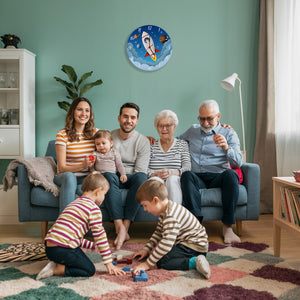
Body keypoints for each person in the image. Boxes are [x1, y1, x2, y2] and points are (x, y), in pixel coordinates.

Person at [36, 172, 125, 280]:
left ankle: (58, 261)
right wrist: (109, 263)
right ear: (98, 191)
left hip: (50, 249)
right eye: (104, 194)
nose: (104, 198)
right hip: (62, 249)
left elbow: (71, 235)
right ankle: (56, 269)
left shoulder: (74, 203)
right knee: (88, 269)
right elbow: (100, 236)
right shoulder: (93, 209)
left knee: (74, 250)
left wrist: (92, 245)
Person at [179, 99, 243, 244]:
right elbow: (174, 142)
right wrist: (152, 141)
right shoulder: (192, 130)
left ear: (218, 116)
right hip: (197, 177)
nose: (206, 123)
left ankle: (227, 228)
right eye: (202, 119)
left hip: (219, 176)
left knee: (231, 175)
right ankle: (195, 227)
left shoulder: (229, 133)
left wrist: (227, 148)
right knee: (187, 175)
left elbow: (238, 162)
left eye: (210, 118)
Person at [132, 179, 210, 279]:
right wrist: (147, 250)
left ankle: (194, 262)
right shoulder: (165, 211)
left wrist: (147, 264)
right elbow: (158, 233)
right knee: (159, 256)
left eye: (145, 205)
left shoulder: (170, 216)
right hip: (190, 244)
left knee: (162, 262)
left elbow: (166, 244)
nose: (145, 209)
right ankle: (193, 258)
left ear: (155, 200)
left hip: (194, 246)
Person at [104, 102, 150, 250]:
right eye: (125, 116)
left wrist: (125, 175)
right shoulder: (109, 137)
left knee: (142, 178)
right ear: (119, 118)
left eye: (132, 117)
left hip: (132, 176)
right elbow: (103, 160)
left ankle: (125, 227)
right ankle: (120, 228)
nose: (128, 120)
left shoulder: (142, 141)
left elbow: (140, 170)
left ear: (137, 120)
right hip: (114, 176)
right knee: (109, 175)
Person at [54, 97, 99, 213]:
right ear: (72, 112)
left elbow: (114, 140)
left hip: (85, 179)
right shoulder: (62, 135)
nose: (84, 113)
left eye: (87, 110)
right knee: (70, 176)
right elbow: (62, 167)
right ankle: (65, 224)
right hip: (65, 177)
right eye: (80, 109)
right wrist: (82, 165)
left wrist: (143, 138)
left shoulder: (95, 134)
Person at [148, 109, 191, 204]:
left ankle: (174, 215)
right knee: (155, 181)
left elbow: (187, 167)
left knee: (172, 179)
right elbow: (144, 168)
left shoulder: (182, 144)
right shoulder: (150, 145)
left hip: (175, 180)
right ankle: (160, 215)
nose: (164, 129)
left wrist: (173, 172)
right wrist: (156, 174)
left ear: (174, 127)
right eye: (160, 126)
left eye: (168, 125)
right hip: (155, 179)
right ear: (156, 127)